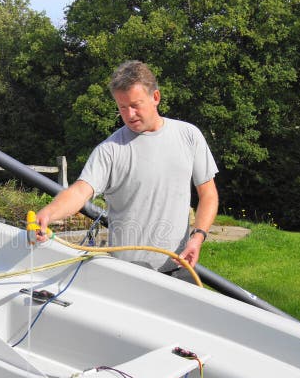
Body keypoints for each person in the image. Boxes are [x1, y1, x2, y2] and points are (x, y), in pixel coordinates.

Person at [35, 60, 219, 280]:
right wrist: (48, 213)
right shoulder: (110, 150)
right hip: (126, 274)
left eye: (135, 105)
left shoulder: (189, 136)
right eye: (122, 107)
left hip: (180, 268)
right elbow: (80, 192)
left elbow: (208, 194)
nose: (129, 114)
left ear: (156, 98)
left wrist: (197, 237)